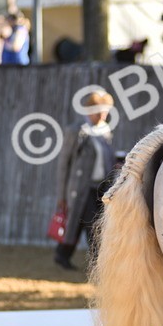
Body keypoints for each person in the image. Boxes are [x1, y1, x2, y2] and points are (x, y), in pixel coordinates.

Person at [54, 90, 115, 270]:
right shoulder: (77, 131)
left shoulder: (105, 131)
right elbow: (64, 163)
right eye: (99, 112)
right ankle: (98, 262)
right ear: (90, 111)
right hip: (82, 186)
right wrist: (62, 194)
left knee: (80, 221)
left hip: (101, 185)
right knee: (92, 223)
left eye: (105, 111)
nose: (103, 115)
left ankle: (62, 253)